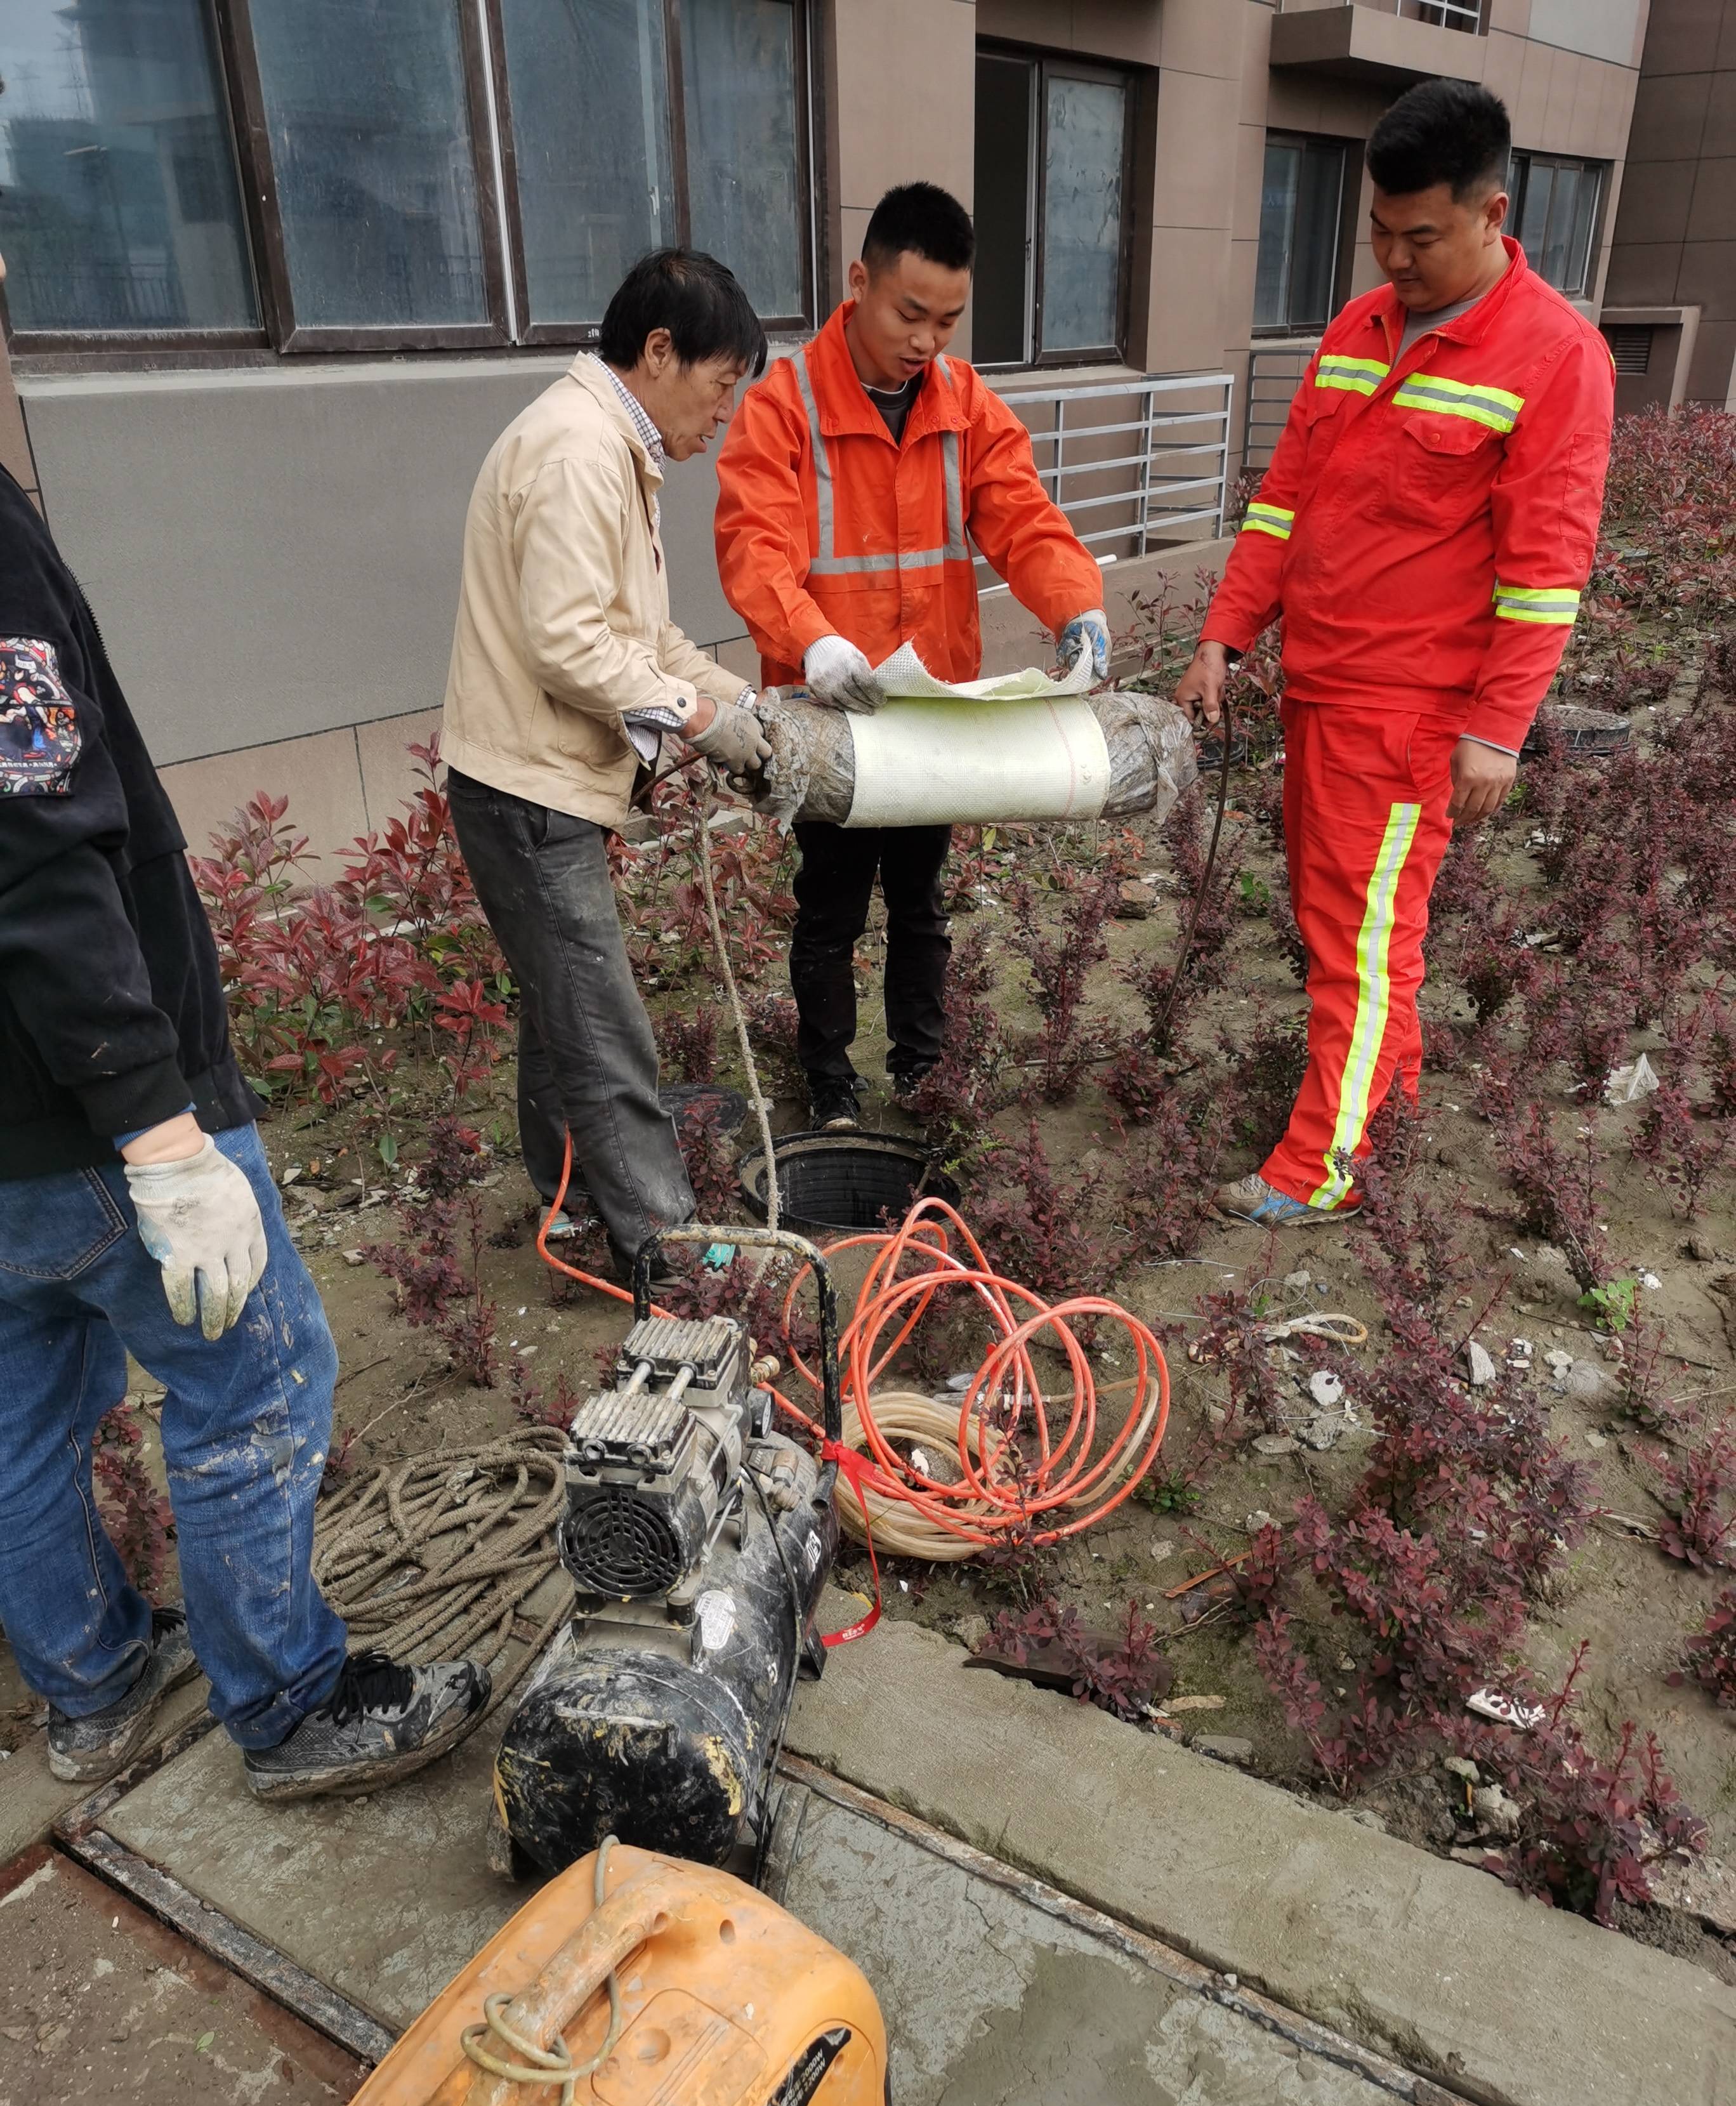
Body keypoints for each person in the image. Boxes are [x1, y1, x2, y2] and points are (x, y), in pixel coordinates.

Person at [0, 365, 489, 1800]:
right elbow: (32, 857)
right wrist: (159, 1132)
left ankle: (88, 1688)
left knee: (21, 1408)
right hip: (80, 1118)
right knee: (256, 1378)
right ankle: (286, 1701)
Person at [1178, 81, 1614, 1226]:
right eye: (1381, 229)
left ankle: (1317, 1168)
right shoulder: (1356, 330)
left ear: (1491, 212)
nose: (1393, 256)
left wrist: (1494, 733)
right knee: (1358, 930)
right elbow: (1282, 505)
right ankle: (1391, 1110)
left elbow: (1544, 575)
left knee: (1358, 944)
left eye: (1420, 236)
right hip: (1321, 689)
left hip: (1412, 717)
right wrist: (1226, 632)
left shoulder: (1555, 358)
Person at [713, 181, 1110, 1131]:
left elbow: (1024, 520)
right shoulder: (785, 408)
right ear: (859, 283)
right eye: (910, 313)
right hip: (830, 722)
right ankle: (831, 1085)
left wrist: (1078, 608)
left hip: (932, 712)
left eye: (948, 320)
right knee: (831, 906)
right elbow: (753, 546)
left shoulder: (965, 405)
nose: (929, 339)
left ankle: (922, 1075)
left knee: (921, 903)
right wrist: (812, 642)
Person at [441, 249, 772, 1270]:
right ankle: (667, 1251)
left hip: (528, 784)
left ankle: (571, 1196)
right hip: (526, 790)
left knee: (560, 1008)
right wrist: (700, 721)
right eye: (721, 387)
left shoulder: (611, 447)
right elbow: (567, 641)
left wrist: (750, 708)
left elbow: (646, 640)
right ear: (660, 351)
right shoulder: (580, 452)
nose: (723, 417)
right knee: (601, 1020)